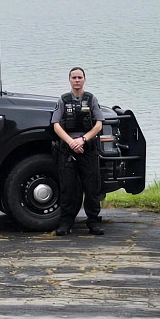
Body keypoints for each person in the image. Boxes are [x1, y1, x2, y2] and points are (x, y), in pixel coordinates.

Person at [51, 65, 106, 236]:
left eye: (79, 77)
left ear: (84, 79)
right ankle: (65, 223)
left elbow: (99, 124)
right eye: (74, 78)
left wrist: (82, 140)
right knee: (67, 188)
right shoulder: (63, 100)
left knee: (92, 188)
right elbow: (56, 125)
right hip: (68, 152)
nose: (77, 80)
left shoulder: (91, 100)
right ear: (69, 80)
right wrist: (70, 142)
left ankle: (93, 222)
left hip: (88, 150)